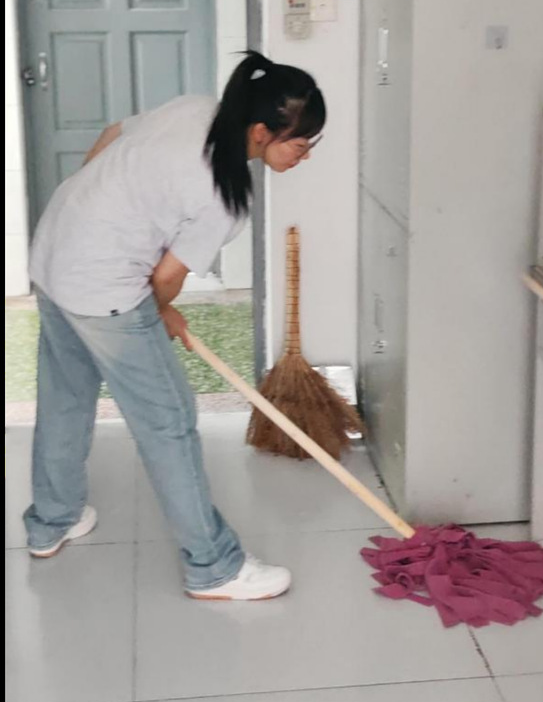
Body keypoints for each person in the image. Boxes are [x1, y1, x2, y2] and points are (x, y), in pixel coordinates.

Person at [24, 51, 326, 601]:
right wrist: (158, 308)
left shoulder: (195, 109)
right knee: (169, 424)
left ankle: (52, 520)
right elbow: (165, 278)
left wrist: (93, 212)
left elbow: (112, 136)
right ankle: (214, 566)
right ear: (262, 133)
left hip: (53, 249)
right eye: (300, 144)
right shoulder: (226, 197)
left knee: (66, 394)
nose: (304, 157)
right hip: (103, 285)